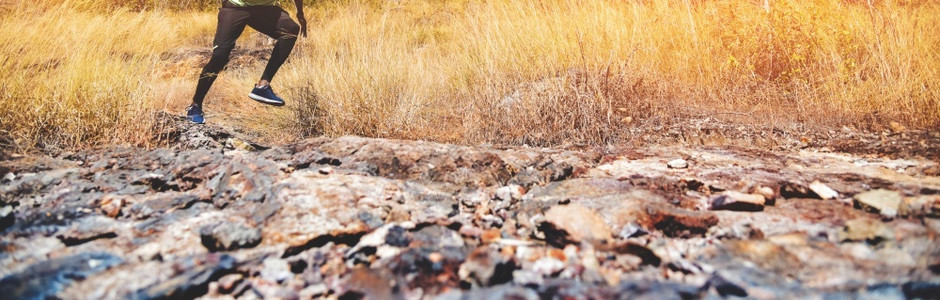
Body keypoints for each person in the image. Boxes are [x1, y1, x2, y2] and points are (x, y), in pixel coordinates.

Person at [186, 0, 307, 124]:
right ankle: (195, 105)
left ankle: (262, 86)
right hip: (235, 7)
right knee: (219, 57)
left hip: (264, 8)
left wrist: (300, 14)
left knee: (291, 29)